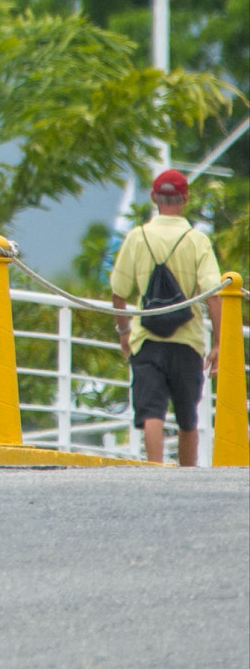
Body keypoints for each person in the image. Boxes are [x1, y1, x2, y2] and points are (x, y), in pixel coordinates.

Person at [109, 168, 223, 466]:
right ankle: (187, 475)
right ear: (185, 198)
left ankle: (155, 471)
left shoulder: (138, 237)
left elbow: (119, 292)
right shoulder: (196, 240)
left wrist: (124, 332)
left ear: (153, 197)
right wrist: (218, 343)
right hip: (187, 340)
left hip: (147, 339)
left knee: (152, 413)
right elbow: (214, 294)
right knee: (187, 417)